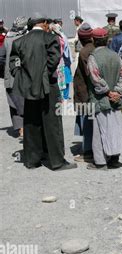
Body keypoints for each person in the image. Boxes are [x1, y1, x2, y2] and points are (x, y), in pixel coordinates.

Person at [10, 14, 77, 170]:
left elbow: (13, 64)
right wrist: (43, 76)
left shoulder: (19, 41)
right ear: (45, 23)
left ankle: (32, 160)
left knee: (31, 123)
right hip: (49, 87)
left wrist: (23, 77)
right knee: (52, 124)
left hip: (28, 87)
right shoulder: (50, 38)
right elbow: (53, 61)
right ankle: (57, 161)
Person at [86, 27, 122, 170]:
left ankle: (101, 162)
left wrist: (108, 92)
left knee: (98, 132)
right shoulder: (115, 55)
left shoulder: (93, 57)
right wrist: (117, 92)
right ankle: (115, 159)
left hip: (100, 100)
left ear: (93, 40)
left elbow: (95, 78)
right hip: (115, 100)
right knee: (116, 128)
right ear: (107, 40)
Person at [2, 16, 28, 138]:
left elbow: (1, 57)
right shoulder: (25, 38)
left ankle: (20, 128)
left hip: (9, 77)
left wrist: (4, 72)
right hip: (22, 76)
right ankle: (26, 126)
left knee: (13, 102)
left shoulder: (7, 38)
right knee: (24, 101)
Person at [73, 23, 95, 163]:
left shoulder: (84, 52)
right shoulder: (94, 49)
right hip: (87, 92)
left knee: (87, 122)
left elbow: (90, 74)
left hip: (85, 93)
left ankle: (88, 152)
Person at [50, 22, 73, 100]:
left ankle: (63, 95)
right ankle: (64, 95)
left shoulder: (59, 37)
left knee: (63, 78)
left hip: (63, 61)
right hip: (63, 60)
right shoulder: (61, 36)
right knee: (64, 78)